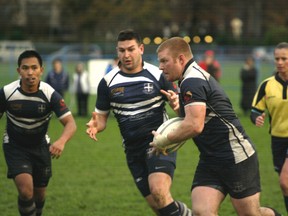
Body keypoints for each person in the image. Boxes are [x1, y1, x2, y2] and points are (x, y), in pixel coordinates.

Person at [151, 37, 281, 216]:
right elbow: (204, 116)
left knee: (250, 214)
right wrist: (180, 109)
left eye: (164, 61)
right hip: (210, 159)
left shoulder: (193, 81)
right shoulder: (187, 78)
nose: (160, 67)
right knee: (202, 211)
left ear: (181, 59)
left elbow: (195, 126)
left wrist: (164, 140)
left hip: (236, 157)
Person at [86, 29, 192, 216]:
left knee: (159, 191)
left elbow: (182, 110)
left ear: (141, 49)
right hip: (133, 151)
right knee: (159, 207)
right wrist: (96, 126)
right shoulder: (107, 82)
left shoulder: (157, 74)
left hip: (159, 143)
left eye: (131, 49)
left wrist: (177, 105)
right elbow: (101, 119)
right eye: (121, 50)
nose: (126, 55)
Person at [0, 50, 77, 216]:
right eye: (25, 68)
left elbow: (70, 123)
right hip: (15, 146)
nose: (30, 72)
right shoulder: (7, 93)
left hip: (41, 147)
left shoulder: (50, 94)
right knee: (26, 191)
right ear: (18, 70)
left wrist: (61, 141)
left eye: (34, 68)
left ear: (41, 70)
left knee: (39, 196)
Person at [250, 42, 288, 214]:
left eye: (284, 59)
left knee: (285, 181)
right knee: (285, 187)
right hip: (277, 140)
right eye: (277, 59)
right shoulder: (267, 85)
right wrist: (256, 117)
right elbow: (255, 110)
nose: (280, 62)